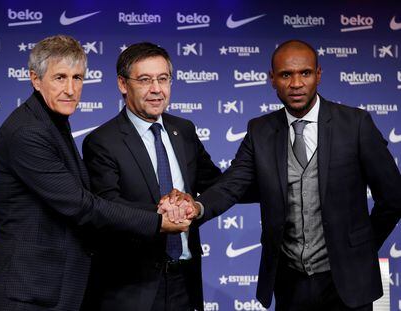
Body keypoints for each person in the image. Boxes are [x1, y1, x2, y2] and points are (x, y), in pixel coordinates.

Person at [165, 40, 401, 310]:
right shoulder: (260, 131)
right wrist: (196, 206)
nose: (296, 83)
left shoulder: (356, 124)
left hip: (349, 282)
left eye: (305, 73)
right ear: (272, 79)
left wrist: (362, 246)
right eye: (286, 75)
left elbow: (393, 198)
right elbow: (232, 184)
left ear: (319, 75)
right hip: (290, 283)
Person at [0, 35, 188, 311]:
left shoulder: (52, 122)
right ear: (35, 79)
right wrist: (157, 220)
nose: (70, 89)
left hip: (53, 289)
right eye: (60, 78)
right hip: (28, 293)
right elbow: (81, 205)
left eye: (78, 78)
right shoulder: (27, 132)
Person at [82, 42, 221, 311]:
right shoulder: (102, 141)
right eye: (145, 80)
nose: (156, 89)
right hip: (131, 288)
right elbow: (107, 208)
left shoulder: (184, 130)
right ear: (123, 84)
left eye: (163, 79)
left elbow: (216, 184)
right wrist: (162, 217)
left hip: (184, 281)